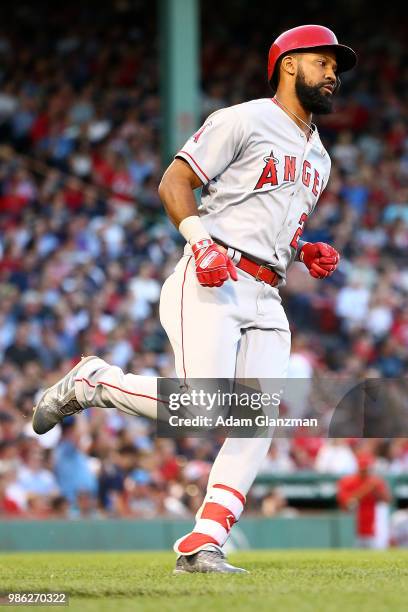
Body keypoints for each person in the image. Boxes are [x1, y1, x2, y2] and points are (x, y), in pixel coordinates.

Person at [32, 25, 357, 573]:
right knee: (202, 412)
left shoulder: (319, 155)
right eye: (321, 61)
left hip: (267, 291)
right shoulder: (244, 118)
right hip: (214, 273)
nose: (332, 73)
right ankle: (93, 381)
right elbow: (174, 183)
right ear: (287, 64)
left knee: (258, 419)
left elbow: (259, 216)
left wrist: (301, 250)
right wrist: (201, 242)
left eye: (335, 66)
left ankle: (205, 543)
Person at [337, 453, 391, 548]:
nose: (365, 472)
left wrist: (377, 489)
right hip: (352, 529)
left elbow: (387, 500)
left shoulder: (376, 481)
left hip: (373, 529)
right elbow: (347, 504)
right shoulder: (348, 481)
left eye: (367, 469)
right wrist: (368, 488)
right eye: (362, 469)